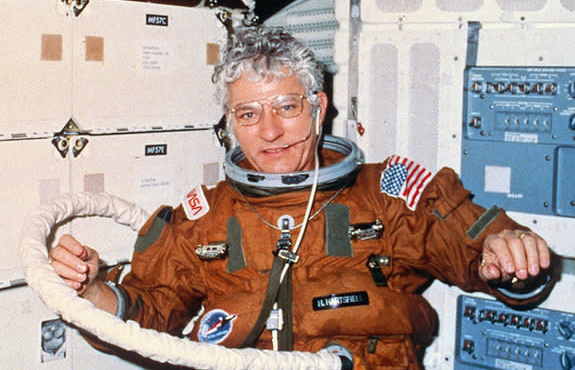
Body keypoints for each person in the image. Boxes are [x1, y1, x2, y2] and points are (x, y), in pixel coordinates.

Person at [49, 27, 556, 369]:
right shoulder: (204, 216)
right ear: (231, 125)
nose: (269, 131)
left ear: (318, 106)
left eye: (286, 107)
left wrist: (508, 250)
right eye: (248, 114)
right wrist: (95, 290)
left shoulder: (388, 192)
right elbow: (151, 314)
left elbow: (476, 248)